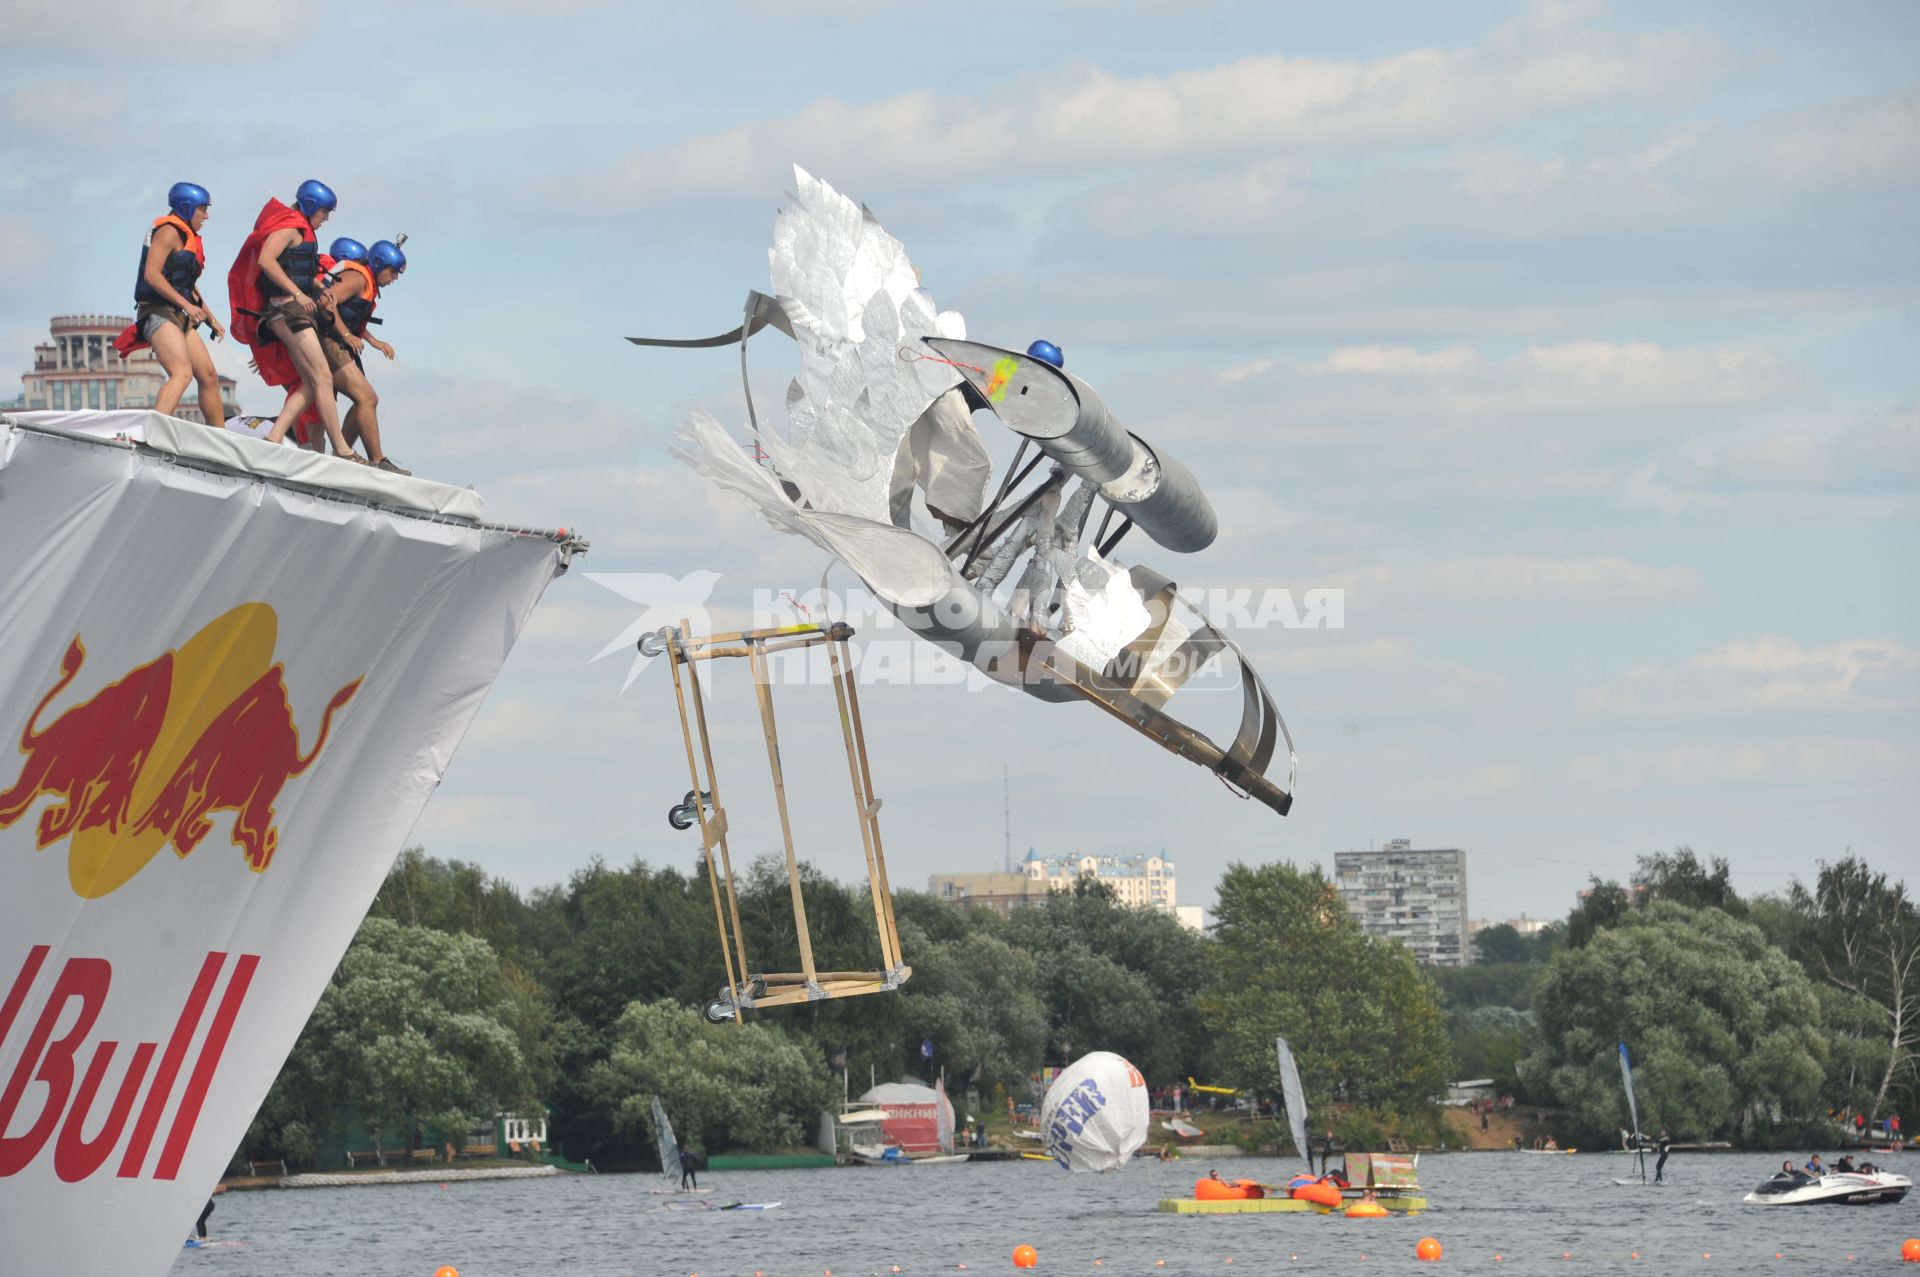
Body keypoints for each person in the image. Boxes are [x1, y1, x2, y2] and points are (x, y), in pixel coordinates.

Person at [227, 179, 357, 458]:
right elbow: (266, 260)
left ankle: (274, 438)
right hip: (286, 312)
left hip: (291, 311)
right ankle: (343, 450)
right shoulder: (289, 226)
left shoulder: (303, 229)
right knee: (323, 376)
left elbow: (295, 268)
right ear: (310, 205)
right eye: (324, 212)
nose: (326, 219)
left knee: (310, 383)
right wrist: (299, 294)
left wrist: (320, 289)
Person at [115, 182, 230, 421]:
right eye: (203, 209)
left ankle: (221, 440)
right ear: (187, 207)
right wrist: (187, 306)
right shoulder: (168, 231)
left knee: (208, 376)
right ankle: (151, 432)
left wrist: (211, 319)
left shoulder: (186, 236)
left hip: (180, 314)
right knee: (181, 373)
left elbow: (188, 287)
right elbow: (152, 275)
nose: (206, 216)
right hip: (158, 312)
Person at [307, 236, 409, 473]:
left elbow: (351, 314)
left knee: (363, 400)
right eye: (393, 272)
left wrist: (372, 340)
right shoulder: (358, 277)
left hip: (334, 341)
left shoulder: (367, 282)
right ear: (380, 263)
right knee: (367, 398)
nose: (394, 279)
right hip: (325, 339)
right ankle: (376, 460)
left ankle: (340, 454)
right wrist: (345, 335)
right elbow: (325, 301)